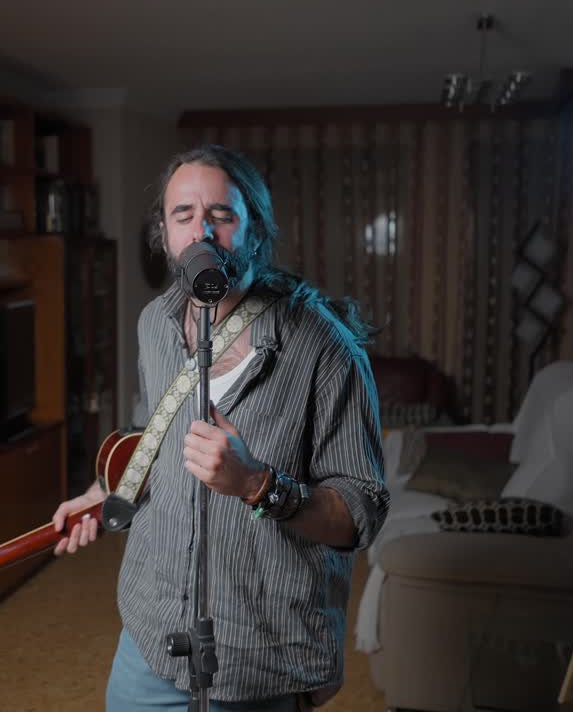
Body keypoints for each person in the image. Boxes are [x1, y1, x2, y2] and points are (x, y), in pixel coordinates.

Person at [52, 143, 389, 711]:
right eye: (183, 214)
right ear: (164, 234)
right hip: (151, 632)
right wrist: (106, 489)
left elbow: (361, 512)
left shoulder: (324, 346)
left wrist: (257, 484)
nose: (201, 231)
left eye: (221, 214)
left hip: (262, 656)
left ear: (255, 228)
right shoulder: (155, 324)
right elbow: (153, 431)